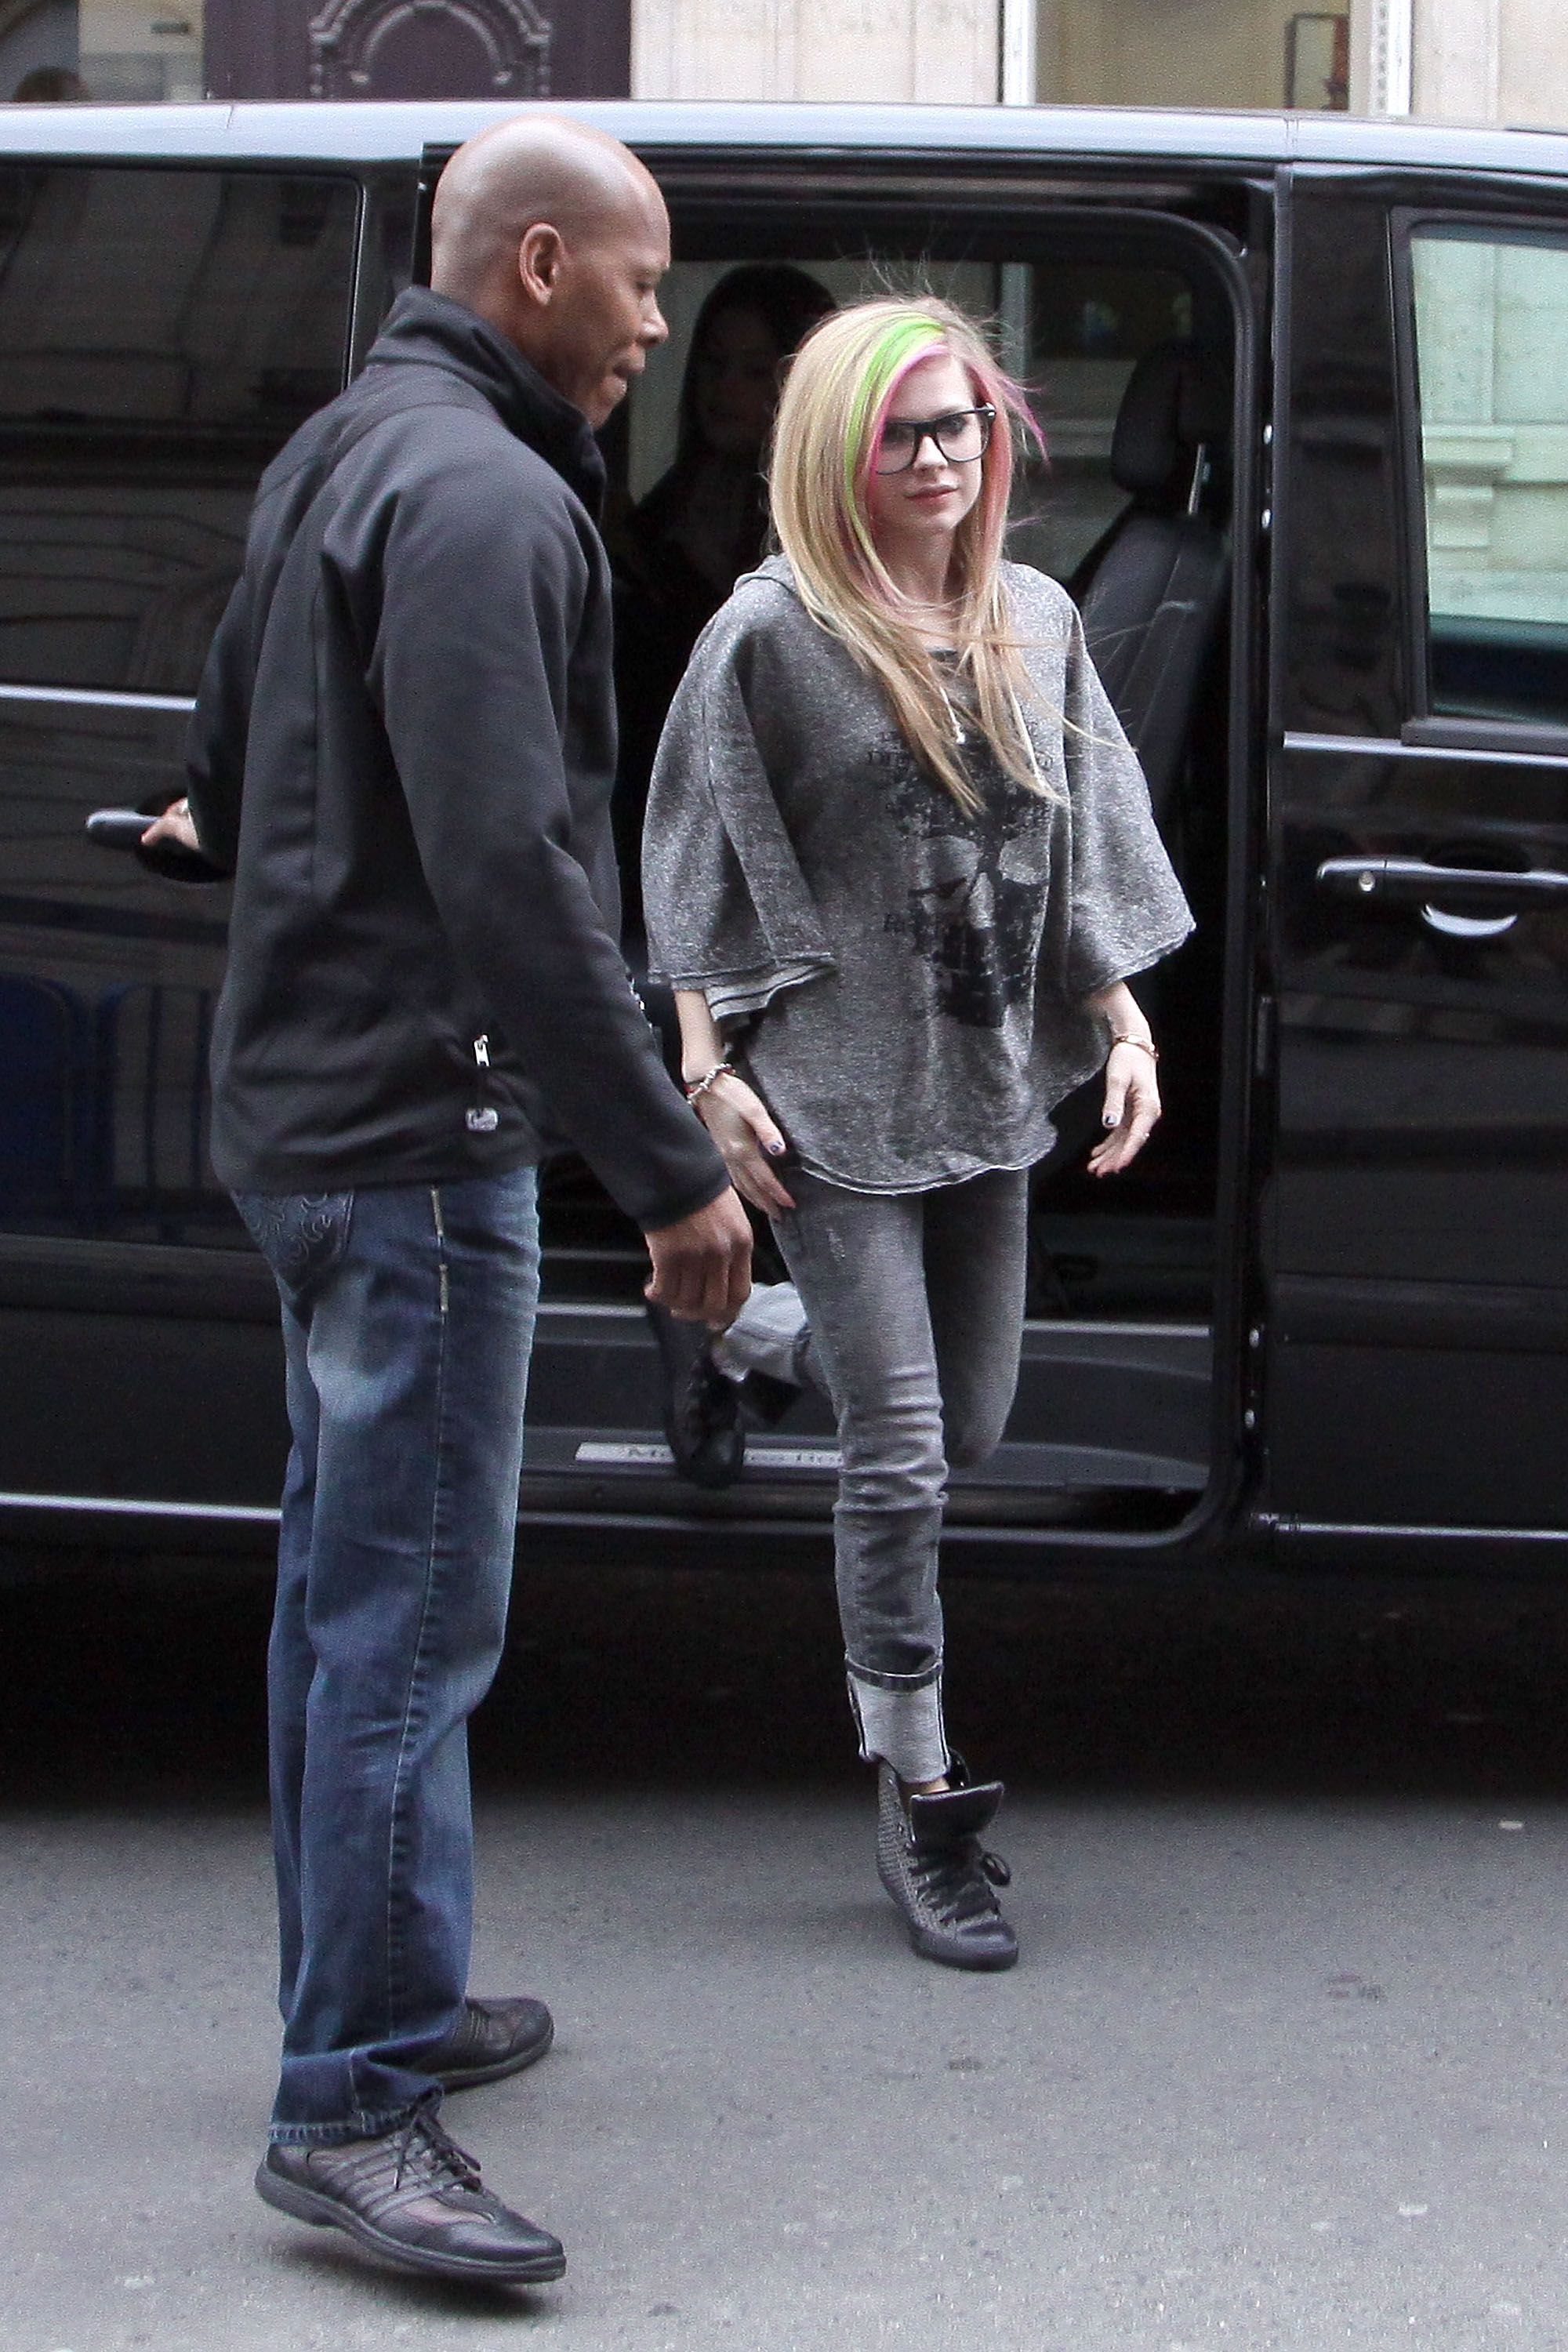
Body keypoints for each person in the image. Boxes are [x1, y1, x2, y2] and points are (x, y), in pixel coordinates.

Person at [144, 116, 751, 2287]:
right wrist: (671, 1171)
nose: (657, 326)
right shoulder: (491, 497)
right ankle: (352, 2103)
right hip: (414, 1142)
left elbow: (231, 751)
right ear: (540, 264)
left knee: (348, 1596)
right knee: (406, 1620)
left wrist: (248, 833)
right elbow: (517, 872)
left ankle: (382, 1989)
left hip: (303, 1124)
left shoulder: (343, 449)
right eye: (644, 282)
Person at [641, 296, 1192, 1973]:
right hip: (828, 1090)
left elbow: (1083, 841)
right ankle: (919, 1788)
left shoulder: (1037, 614)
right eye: (900, 432)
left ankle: (747, 1333)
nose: (940, 456)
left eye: (960, 424)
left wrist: (1122, 1022)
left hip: (983, 1083)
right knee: (897, 1455)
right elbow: (691, 861)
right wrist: (706, 1073)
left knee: (969, 1422)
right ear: (836, 452)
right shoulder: (770, 634)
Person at [612, 263, 835, 933]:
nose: (726, 390)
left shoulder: (823, 530)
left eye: (756, 371)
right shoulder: (674, 507)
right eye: (713, 366)